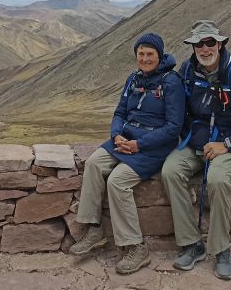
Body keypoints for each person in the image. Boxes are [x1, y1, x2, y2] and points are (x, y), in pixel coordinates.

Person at [161, 20, 231, 279]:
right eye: (199, 43)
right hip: (195, 143)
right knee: (170, 171)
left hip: (228, 143)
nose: (205, 48)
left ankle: (221, 250)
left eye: (210, 42)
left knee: (219, 179)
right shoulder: (188, 70)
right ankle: (192, 244)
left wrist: (227, 145)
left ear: (220, 44)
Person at [71, 32, 185, 274]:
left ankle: (135, 247)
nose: (144, 58)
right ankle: (93, 228)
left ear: (160, 55)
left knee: (117, 181)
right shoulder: (133, 79)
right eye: (141, 54)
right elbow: (119, 113)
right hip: (125, 139)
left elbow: (174, 127)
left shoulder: (171, 82)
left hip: (153, 147)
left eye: (150, 54)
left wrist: (139, 145)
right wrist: (117, 136)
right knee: (93, 164)